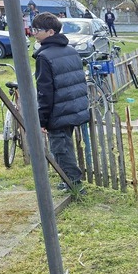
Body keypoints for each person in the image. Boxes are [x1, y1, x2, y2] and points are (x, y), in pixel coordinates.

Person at [32, 12, 90, 192]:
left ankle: (74, 185)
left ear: (50, 32)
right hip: (73, 106)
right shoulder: (71, 50)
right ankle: (69, 181)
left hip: (59, 110)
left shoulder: (44, 57)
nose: (33, 33)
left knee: (60, 149)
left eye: (37, 30)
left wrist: (42, 119)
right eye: (32, 29)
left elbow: (45, 92)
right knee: (65, 145)